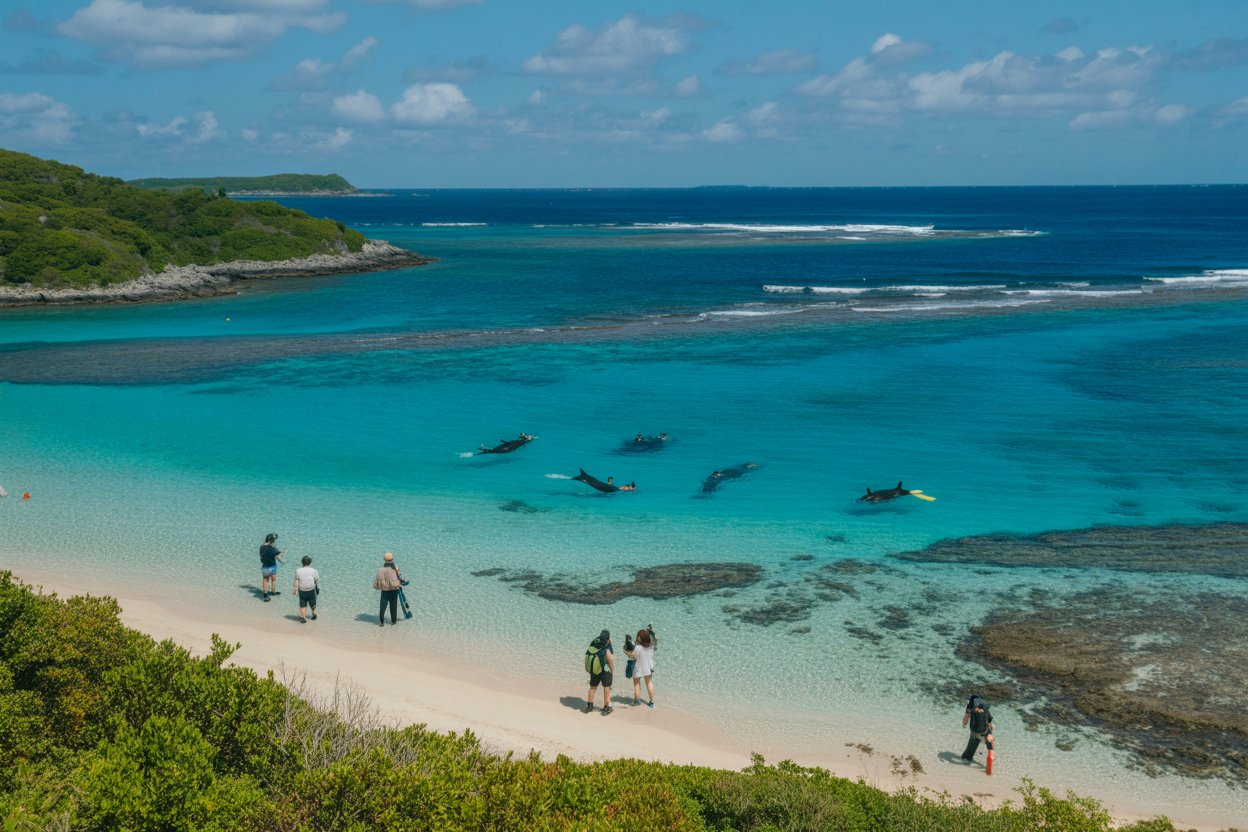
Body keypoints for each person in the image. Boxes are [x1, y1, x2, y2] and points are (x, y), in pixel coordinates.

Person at [584, 629, 615, 715]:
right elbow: (610, 660)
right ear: (608, 639)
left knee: (593, 687)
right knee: (606, 688)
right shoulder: (607, 649)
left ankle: (589, 706)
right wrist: (612, 670)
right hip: (605, 670)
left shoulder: (595, 641)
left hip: (594, 669)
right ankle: (606, 707)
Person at [627, 627, 657, 707]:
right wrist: (652, 632)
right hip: (648, 667)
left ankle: (637, 701)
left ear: (639, 639)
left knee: (637, 684)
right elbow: (655, 639)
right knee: (649, 683)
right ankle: (652, 702)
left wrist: (627, 652)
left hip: (639, 668)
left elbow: (634, 657)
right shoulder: (651, 646)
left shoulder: (637, 648)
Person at [374, 551, 405, 627]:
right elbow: (399, 578)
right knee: (393, 607)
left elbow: (378, 580)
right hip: (394, 590)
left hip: (384, 591)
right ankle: (393, 622)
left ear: (384, 559)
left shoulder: (380, 569)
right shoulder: (396, 567)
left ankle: (381, 622)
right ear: (392, 559)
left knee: (382, 606)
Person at [961, 695, 995, 763]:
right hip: (986, 729)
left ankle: (967, 761)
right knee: (989, 738)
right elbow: (989, 719)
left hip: (976, 732)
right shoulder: (984, 707)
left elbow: (966, 717)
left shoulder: (970, 707)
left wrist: (964, 724)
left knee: (966, 756)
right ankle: (991, 752)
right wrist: (991, 726)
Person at [294, 556, 320, 623]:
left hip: (302, 590)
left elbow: (296, 580)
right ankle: (314, 614)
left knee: (303, 604)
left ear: (302, 562)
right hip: (311, 590)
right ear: (310, 563)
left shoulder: (298, 570)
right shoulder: (314, 570)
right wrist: (318, 588)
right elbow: (316, 580)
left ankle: (303, 618)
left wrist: (295, 590)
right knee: (312, 602)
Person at [259, 533, 284, 602]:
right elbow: (279, 555)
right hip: (272, 566)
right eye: (274, 541)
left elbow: (266, 552)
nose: (275, 542)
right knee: (273, 579)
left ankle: (266, 594)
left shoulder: (261, 547)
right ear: (271, 541)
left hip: (265, 566)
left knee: (265, 580)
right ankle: (272, 592)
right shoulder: (273, 549)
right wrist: (281, 553)